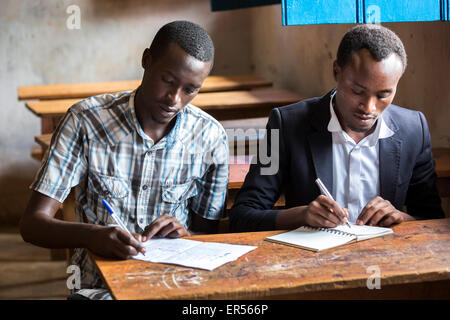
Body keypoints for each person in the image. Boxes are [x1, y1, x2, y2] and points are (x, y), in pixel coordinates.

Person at [20, 21, 229, 300]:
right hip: (98, 289)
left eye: (190, 89)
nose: (174, 99)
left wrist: (187, 235)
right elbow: (32, 224)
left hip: (177, 288)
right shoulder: (86, 121)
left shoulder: (211, 136)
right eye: (168, 80)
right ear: (146, 61)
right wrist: (91, 236)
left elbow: (208, 236)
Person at [230, 24, 444, 233]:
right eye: (357, 91)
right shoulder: (286, 124)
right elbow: (242, 216)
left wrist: (401, 217)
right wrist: (302, 216)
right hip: (312, 263)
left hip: (386, 261)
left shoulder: (414, 129)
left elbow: (432, 218)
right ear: (336, 72)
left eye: (383, 95)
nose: (368, 107)